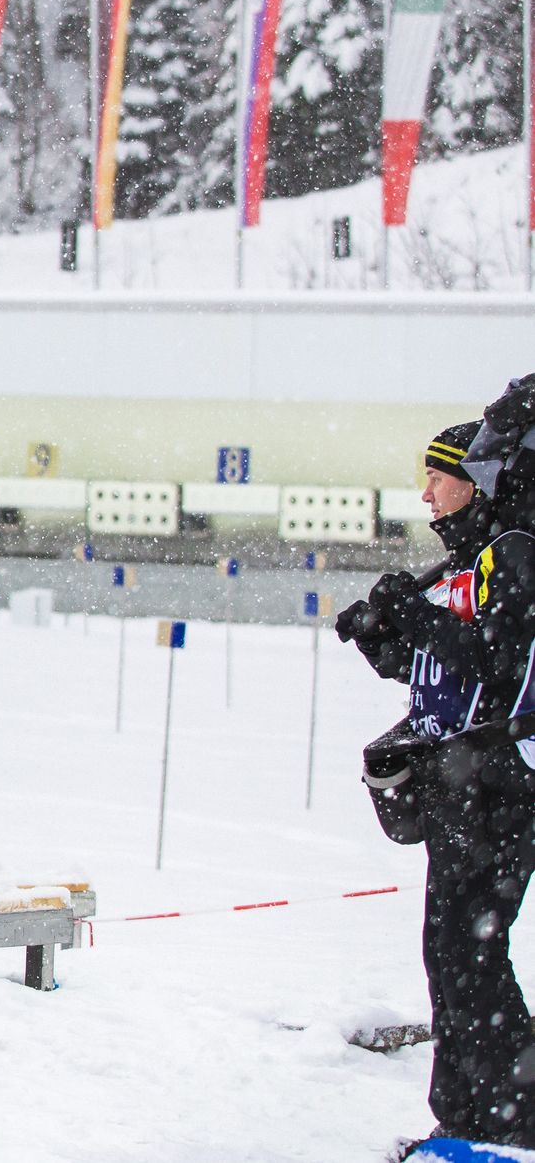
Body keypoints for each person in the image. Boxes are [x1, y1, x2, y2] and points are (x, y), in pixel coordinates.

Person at [342, 404, 535, 1154]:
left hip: (500, 786)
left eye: (437, 477)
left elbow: (498, 665)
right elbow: (433, 668)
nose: (425, 493)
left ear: (475, 482)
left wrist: (414, 617)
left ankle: (510, 1120)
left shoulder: (513, 552)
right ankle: (463, 1119)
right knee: (450, 954)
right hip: (459, 787)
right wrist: (379, 634)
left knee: (471, 955)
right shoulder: (467, 562)